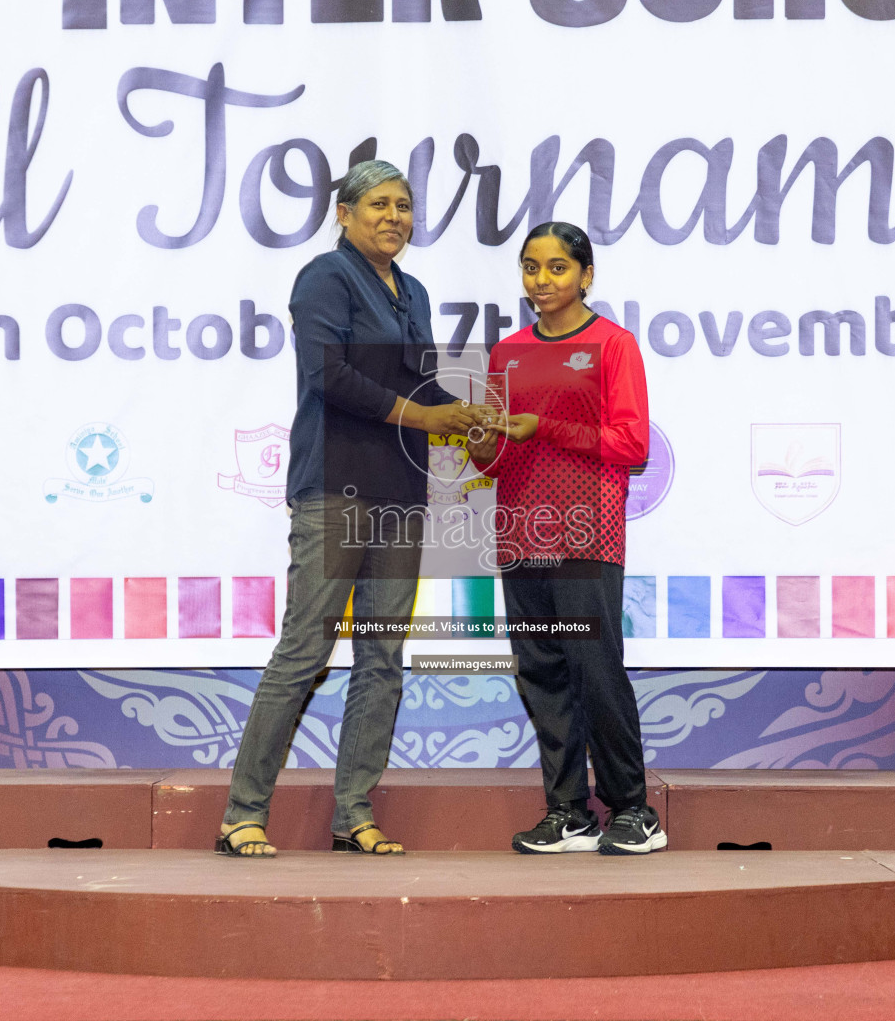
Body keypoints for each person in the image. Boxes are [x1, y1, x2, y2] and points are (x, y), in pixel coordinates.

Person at [217, 161, 487, 857]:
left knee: (382, 659)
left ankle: (354, 815)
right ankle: (242, 814)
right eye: (378, 204)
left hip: (400, 495)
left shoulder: (415, 290)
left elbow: (420, 386)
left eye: (404, 205)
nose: (395, 216)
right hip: (334, 488)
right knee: (304, 651)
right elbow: (328, 376)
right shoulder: (325, 278)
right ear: (343, 213)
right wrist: (423, 416)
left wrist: (464, 417)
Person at [467, 221, 664, 855]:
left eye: (556, 268)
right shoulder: (507, 352)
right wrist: (478, 441)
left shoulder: (613, 345)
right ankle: (568, 812)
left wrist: (545, 427)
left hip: (587, 532)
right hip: (520, 533)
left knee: (594, 669)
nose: (541, 280)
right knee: (542, 673)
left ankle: (633, 810)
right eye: (530, 267)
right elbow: (494, 461)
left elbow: (631, 445)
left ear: (586, 274)